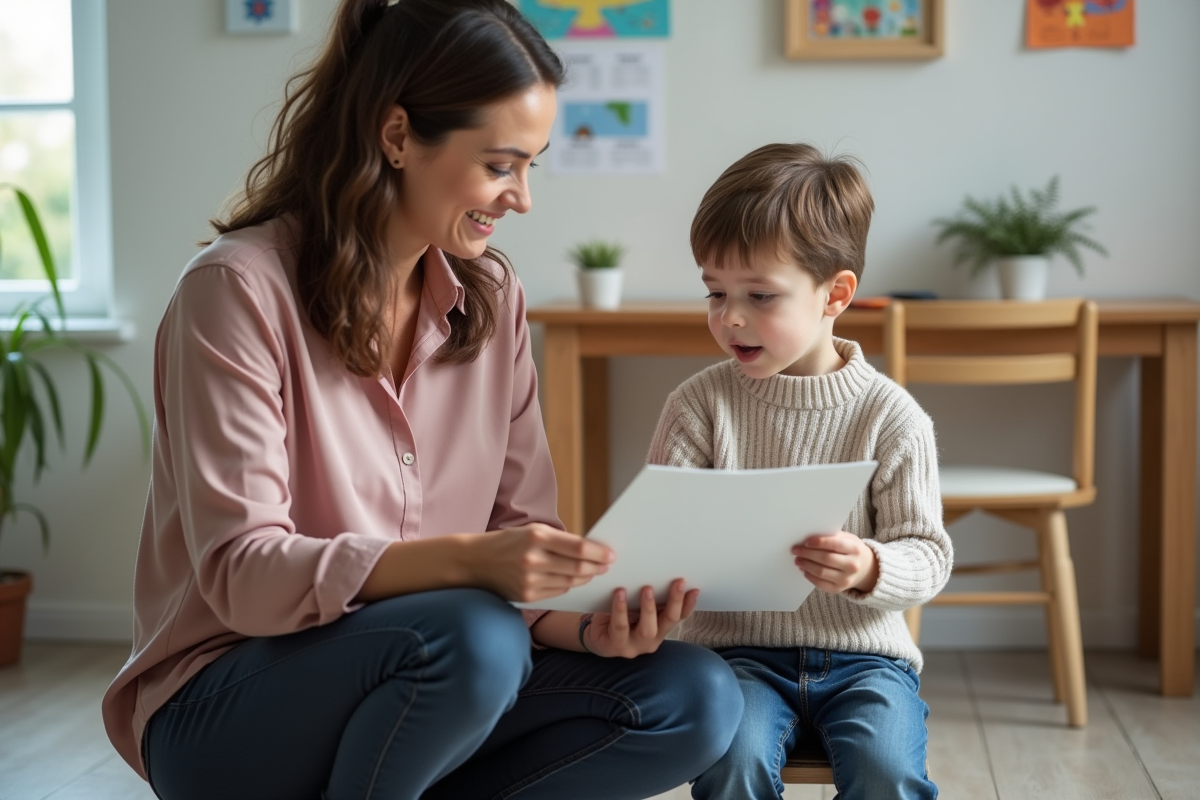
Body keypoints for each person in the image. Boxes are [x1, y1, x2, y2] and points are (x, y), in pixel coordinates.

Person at [101, 2, 742, 798]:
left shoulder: (492, 294)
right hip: (229, 707)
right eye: (501, 164)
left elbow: (517, 531)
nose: (522, 198)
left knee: (698, 696)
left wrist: (584, 624)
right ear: (398, 135)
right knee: (471, 635)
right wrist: (471, 563)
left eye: (533, 165)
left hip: (442, 683)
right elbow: (244, 575)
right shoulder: (237, 290)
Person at [647, 143, 953, 800]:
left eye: (760, 295)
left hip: (869, 662)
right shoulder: (698, 406)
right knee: (733, 765)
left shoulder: (892, 417)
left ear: (835, 294)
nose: (730, 317)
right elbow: (657, 539)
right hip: (736, 661)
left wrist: (872, 567)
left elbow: (928, 554)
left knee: (889, 773)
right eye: (715, 292)